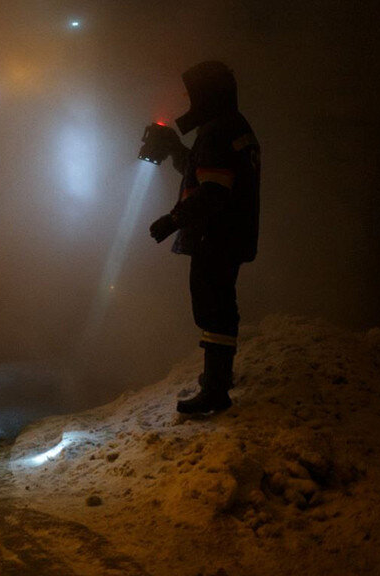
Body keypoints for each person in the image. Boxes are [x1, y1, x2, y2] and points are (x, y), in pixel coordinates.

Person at [147, 61, 261, 415]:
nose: (189, 100)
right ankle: (218, 379)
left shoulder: (216, 131)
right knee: (219, 304)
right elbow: (203, 170)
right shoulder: (233, 127)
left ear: (207, 93)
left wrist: (172, 220)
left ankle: (215, 390)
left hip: (216, 234)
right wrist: (175, 148)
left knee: (214, 307)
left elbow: (212, 191)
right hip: (231, 233)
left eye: (192, 93)